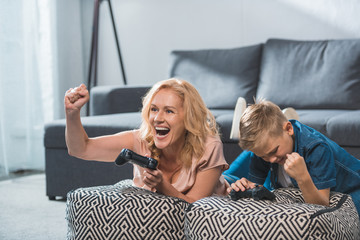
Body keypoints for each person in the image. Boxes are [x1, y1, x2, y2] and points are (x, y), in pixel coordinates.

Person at [65, 78, 229, 203]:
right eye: (154, 109)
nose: (157, 118)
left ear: (188, 118)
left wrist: (162, 186)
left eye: (169, 111)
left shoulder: (208, 146)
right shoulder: (140, 140)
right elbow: (81, 149)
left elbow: (195, 208)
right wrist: (72, 113)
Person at [224, 99, 360, 215]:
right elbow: (257, 189)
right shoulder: (266, 151)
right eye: (264, 156)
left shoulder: (316, 148)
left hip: (353, 189)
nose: (271, 160)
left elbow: (321, 205)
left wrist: (302, 177)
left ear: (289, 129)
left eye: (274, 151)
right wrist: (247, 187)